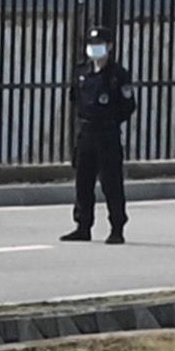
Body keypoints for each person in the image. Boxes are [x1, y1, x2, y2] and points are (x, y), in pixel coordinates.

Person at [64, 26, 137, 247]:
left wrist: (111, 122)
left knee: (111, 182)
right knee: (83, 181)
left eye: (99, 45)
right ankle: (83, 225)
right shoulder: (81, 72)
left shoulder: (118, 75)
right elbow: (75, 100)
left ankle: (116, 227)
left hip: (107, 133)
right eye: (92, 45)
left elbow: (128, 105)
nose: (94, 49)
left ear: (110, 47)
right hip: (86, 132)